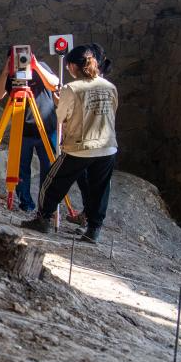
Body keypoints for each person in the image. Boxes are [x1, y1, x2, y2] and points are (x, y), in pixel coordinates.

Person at [21, 45, 119, 243]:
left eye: (68, 67)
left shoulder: (71, 88)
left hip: (79, 147)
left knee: (53, 182)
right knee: (99, 189)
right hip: (107, 147)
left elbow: (60, 116)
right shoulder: (110, 87)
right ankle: (94, 229)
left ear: (74, 66)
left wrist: (59, 101)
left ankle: (43, 218)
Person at [0, 49, 58, 213]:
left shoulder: (41, 67)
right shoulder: (11, 74)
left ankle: (46, 207)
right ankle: (26, 204)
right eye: (15, 58)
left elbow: (55, 84)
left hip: (46, 127)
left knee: (49, 169)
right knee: (21, 169)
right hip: (22, 129)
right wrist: (6, 72)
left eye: (24, 56)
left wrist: (36, 66)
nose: (21, 60)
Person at [65, 43, 113, 228]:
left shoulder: (98, 86)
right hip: (100, 143)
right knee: (88, 181)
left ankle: (90, 218)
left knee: (92, 182)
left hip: (91, 143)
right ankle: (89, 218)